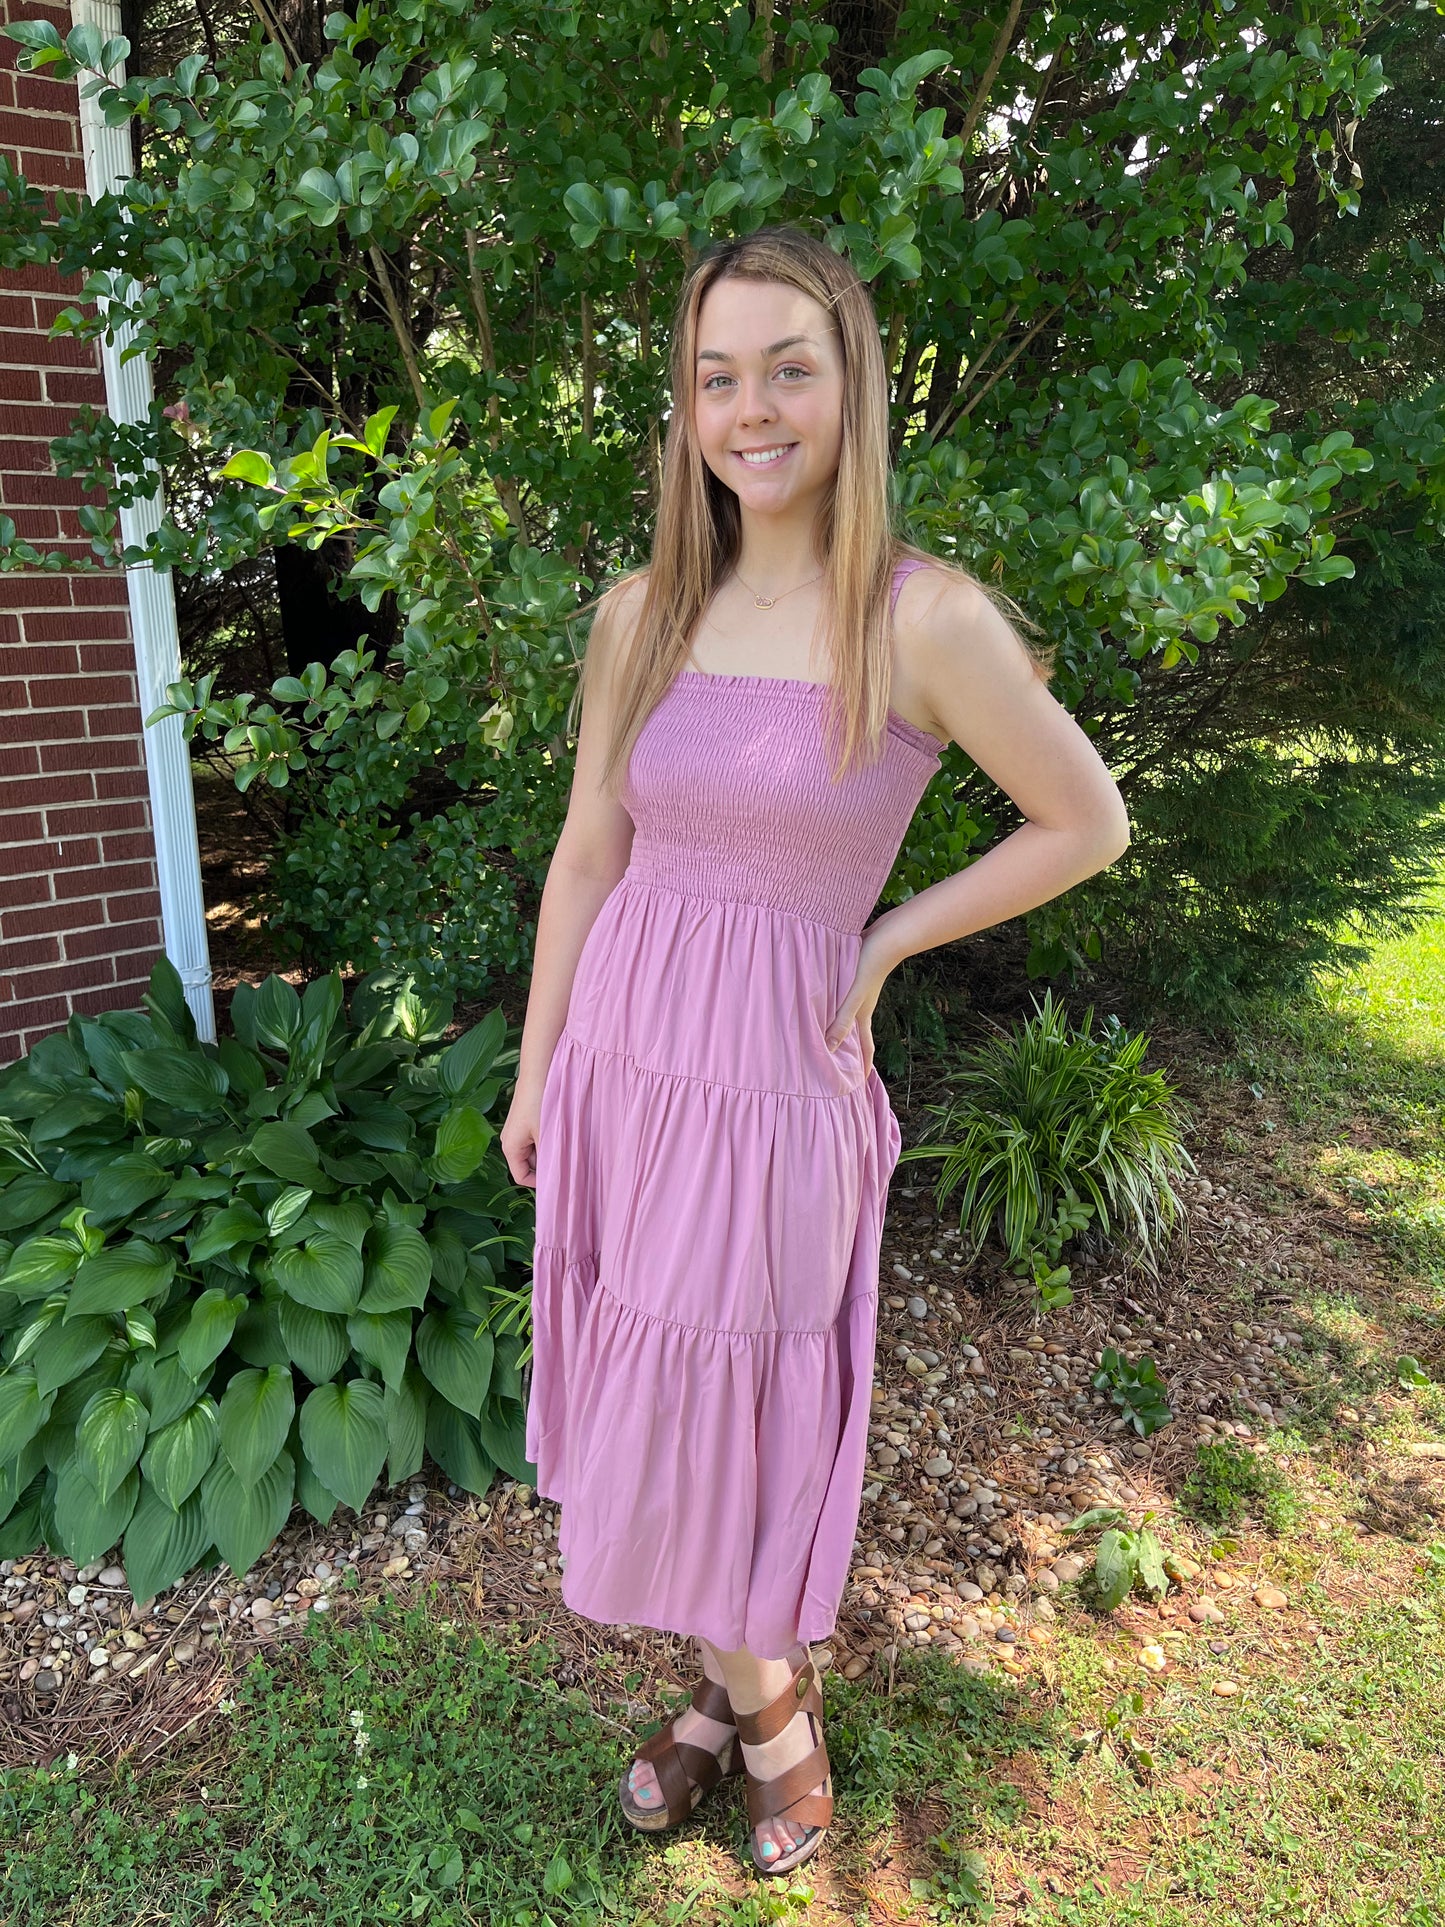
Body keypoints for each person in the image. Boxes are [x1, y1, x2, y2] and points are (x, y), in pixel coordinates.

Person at [501, 222, 1131, 1879]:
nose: (752, 407)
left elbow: (1085, 821)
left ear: (851, 385)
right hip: (628, 1058)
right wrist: (535, 1064)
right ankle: (731, 1704)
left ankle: (764, 1721)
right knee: (659, 1393)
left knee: (732, 1398)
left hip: (779, 1077)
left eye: (790, 366)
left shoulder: (923, 622)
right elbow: (586, 850)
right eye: (717, 375)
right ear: (683, 409)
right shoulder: (641, 612)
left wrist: (887, 936)